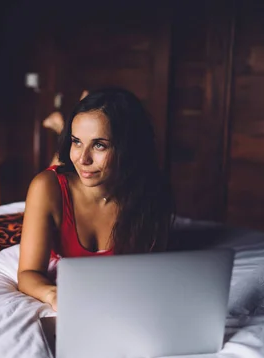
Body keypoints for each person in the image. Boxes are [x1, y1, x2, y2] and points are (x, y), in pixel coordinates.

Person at [17, 87, 174, 311]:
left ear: (128, 148)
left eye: (99, 145)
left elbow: (149, 272)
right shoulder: (45, 188)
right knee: (61, 165)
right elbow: (28, 273)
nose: (83, 158)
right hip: (62, 188)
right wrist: (54, 295)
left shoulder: (151, 193)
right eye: (76, 141)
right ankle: (64, 127)